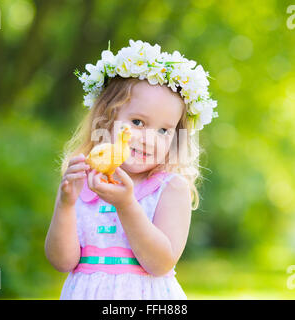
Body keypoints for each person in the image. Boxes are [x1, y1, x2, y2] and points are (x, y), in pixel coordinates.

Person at [44, 39, 218, 300]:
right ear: (106, 119)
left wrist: (126, 205)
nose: (149, 138)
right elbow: (63, 261)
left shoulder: (170, 188)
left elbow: (160, 263)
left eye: (163, 130)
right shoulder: (85, 181)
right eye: (137, 122)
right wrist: (65, 204)